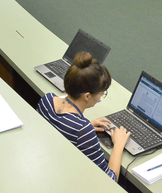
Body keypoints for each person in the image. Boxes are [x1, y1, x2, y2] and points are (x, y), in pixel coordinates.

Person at [37, 52, 129, 182]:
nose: (100, 97)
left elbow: (61, 125)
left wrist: (85, 127)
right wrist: (119, 145)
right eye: (101, 93)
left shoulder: (47, 100)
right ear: (87, 96)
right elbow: (109, 180)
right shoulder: (82, 130)